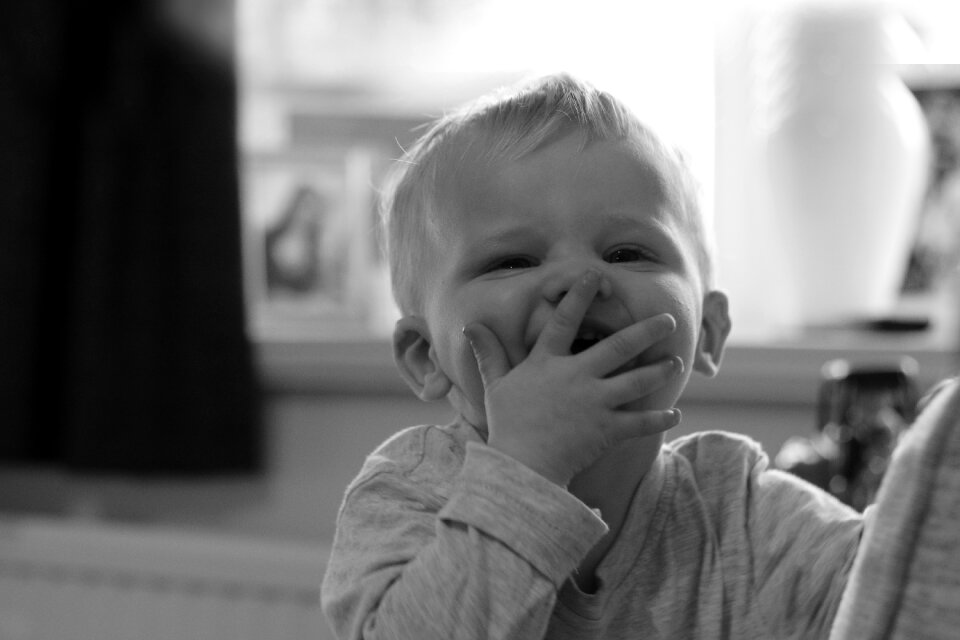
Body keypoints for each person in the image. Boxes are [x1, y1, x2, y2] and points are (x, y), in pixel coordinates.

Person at [321, 73, 863, 639]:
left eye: (628, 252)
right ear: (426, 356)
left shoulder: (745, 513)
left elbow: (897, 592)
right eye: (512, 261)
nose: (581, 280)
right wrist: (526, 470)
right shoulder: (407, 495)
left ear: (709, 331)